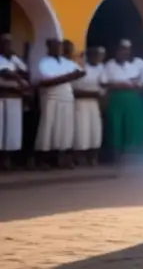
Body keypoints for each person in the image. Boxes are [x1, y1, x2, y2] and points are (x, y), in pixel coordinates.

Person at [35, 38, 84, 168]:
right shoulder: (44, 62)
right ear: (49, 47)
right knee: (48, 127)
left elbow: (81, 72)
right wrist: (68, 77)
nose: (58, 49)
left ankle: (62, 158)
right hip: (51, 97)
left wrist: (65, 77)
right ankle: (43, 159)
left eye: (60, 46)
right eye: (55, 46)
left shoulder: (66, 62)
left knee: (64, 128)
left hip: (66, 97)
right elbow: (45, 81)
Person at [101, 40, 143, 161]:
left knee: (131, 125)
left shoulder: (133, 66)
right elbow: (104, 82)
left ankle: (129, 154)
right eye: (122, 50)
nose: (124, 53)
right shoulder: (109, 65)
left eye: (127, 50)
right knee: (115, 125)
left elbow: (139, 83)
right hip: (116, 97)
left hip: (131, 98)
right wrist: (120, 84)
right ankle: (115, 154)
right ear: (117, 51)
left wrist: (131, 84)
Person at [72, 46, 105, 166]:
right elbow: (73, 90)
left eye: (97, 56)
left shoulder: (101, 69)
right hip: (81, 104)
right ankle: (80, 157)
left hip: (94, 104)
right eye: (93, 55)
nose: (96, 58)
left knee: (94, 130)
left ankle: (93, 157)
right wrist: (92, 93)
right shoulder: (79, 69)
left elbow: (103, 87)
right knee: (81, 130)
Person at [0, 34, 29, 169]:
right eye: (5, 43)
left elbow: (25, 70)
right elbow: (5, 73)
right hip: (2, 96)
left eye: (9, 44)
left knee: (12, 130)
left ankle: (8, 160)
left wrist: (16, 57)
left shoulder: (13, 59)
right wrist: (19, 79)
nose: (8, 46)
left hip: (14, 97)